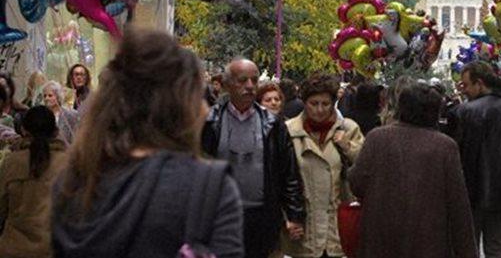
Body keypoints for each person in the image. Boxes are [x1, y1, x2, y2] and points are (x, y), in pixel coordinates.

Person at [52, 29, 244, 257]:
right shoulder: (209, 188)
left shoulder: (74, 181)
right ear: (178, 106)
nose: (205, 110)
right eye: (198, 96)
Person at [349, 82, 478, 258]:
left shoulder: (377, 138)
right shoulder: (444, 146)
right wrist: (467, 251)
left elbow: (357, 184)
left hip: (381, 237)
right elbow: (458, 204)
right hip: (428, 240)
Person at [201, 58, 305, 258]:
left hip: (261, 219)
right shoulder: (209, 122)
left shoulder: (272, 124)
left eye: (254, 80)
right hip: (219, 217)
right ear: (226, 84)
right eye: (242, 80)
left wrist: (295, 215)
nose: (249, 86)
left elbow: (289, 172)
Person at [451, 61, 501, 258]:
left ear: (479, 83)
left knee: (466, 250)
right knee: (498, 250)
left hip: (469, 197)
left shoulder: (462, 113)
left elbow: (454, 159)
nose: (463, 90)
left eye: (466, 85)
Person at [281, 74, 365, 258]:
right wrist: (288, 217)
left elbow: (365, 167)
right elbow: (279, 180)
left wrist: (347, 146)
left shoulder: (349, 129)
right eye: (314, 103)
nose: (319, 110)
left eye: (325, 104)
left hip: (338, 227)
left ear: (334, 103)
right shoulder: (288, 131)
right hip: (303, 228)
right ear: (304, 102)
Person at [0, 107, 68, 257]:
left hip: (13, 249)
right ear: (56, 131)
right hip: (54, 249)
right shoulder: (67, 164)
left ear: (23, 130)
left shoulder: (12, 163)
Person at [41, 80, 81, 145]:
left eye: (50, 95)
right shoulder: (41, 115)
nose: (46, 98)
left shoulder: (71, 115)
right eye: (45, 96)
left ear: (58, 96)